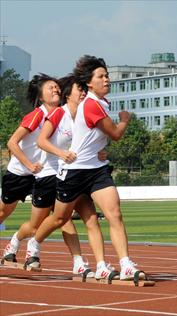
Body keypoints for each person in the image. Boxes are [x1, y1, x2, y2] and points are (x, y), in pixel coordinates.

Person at [25, 55, 146, 281]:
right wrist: (125, 119)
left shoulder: (100, 103)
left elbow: (97, 136)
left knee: (113, 214)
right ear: (90, 83)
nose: (107, 80)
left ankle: (121, 264)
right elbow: (116, 133)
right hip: (74, 172)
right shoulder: (90, 105)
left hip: (97, 170)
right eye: (101, 76)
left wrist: (102, 150)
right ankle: (34, 242)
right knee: (61, 218)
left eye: (107, 75)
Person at [1, 74, 91, 275]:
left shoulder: (65, 115)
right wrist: (29, 164)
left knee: (62, 218)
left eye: (57, 87)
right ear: (41, 96)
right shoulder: (37, 115)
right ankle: (14, 245)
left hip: (47, 174)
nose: (56, 90)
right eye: (51, 88)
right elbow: (11, 143)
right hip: (20, 174)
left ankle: (78, 261)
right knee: (4, 213)